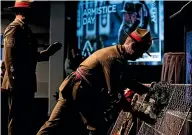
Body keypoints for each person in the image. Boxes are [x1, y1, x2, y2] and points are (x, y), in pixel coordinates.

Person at [37, 28, 152, 135]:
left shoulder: (119, 56)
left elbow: (127, 81)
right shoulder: (114, 58)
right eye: (141, 52)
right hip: (79, 90)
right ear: (133, 46)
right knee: (96, 127)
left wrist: (148, 89)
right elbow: (113, 92)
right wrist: (135, 112)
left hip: (79, 88)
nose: (140, 56)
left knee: (52, 123)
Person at [2, 1, 62, 135]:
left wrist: (48, 52)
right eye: (30, 12)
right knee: (16, 118)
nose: (33, 15)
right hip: (18, 82)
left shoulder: (24, 29)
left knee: (24, 118)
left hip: (25, 81)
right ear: (22, 12)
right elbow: (9, 58)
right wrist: (14, 82)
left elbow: (29, 57)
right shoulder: (14, 28)